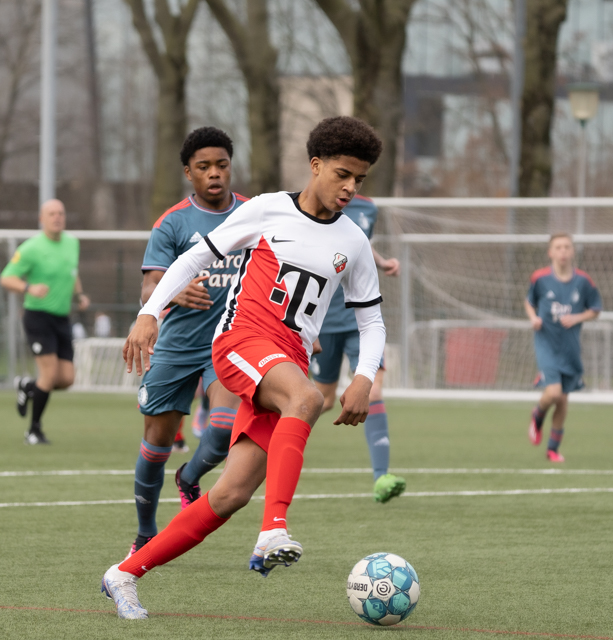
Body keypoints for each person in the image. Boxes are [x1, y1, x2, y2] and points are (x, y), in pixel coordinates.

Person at [100, 116, 386, 620]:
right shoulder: (268, 209)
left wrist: (364, 377)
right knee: (308, 399)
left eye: (359, 180)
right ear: (315, 165)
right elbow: (191, 262)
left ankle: (125, 573)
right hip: (241, 341)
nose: (350, 187)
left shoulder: (354, 242)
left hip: (288, 361)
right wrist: (149, 314)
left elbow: (372, 322)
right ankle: (273, 530)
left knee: (229, 494)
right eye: (342, 174)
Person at [128, 127, 248, 556]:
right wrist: (172, 290)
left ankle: (189, 477)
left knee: (221, 430)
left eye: (221, 165)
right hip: (178, 344)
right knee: (156, 443)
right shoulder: (173, 222)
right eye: (204, 167)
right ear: (188, 173)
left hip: (230, 343)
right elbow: (149, 287)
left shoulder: (254, 214)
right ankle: (145, 534)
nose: (215, 173)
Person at [309, 194, 406, 503]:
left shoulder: (368, 208)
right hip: (322, 320)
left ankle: (381, 477)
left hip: (359, 320)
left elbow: (359, 244)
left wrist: (381, 261)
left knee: (372, 390)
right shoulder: (312, 202)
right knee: (319, 400)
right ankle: (266, 442)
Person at [0, 199, 90, 445]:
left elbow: (73, 271)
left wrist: (79, 295)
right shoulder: (31, 248)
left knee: (67, 379)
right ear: (41, 218)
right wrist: (28, 287)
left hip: (62, 318)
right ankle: (34, 431)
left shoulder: (72, 243)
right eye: (51, 213)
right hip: (37, 316)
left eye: (61, 212)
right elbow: (6, 278)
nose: (57, 217)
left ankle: (29, 386)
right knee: (48, 375)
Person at [525, 232, 602, 462]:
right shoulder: (539, 278)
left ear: (572, 251)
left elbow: (596, 309)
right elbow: (529, 303)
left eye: (567, 247)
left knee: (563, 400)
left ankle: (552, 449)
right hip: (546, 343)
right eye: (558, 247)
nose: (563, 251)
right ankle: (537, 414)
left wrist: (578, 318)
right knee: (554, 393)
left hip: (570, 348)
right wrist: (533, 318)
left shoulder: (584, 281)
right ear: (550, 252)